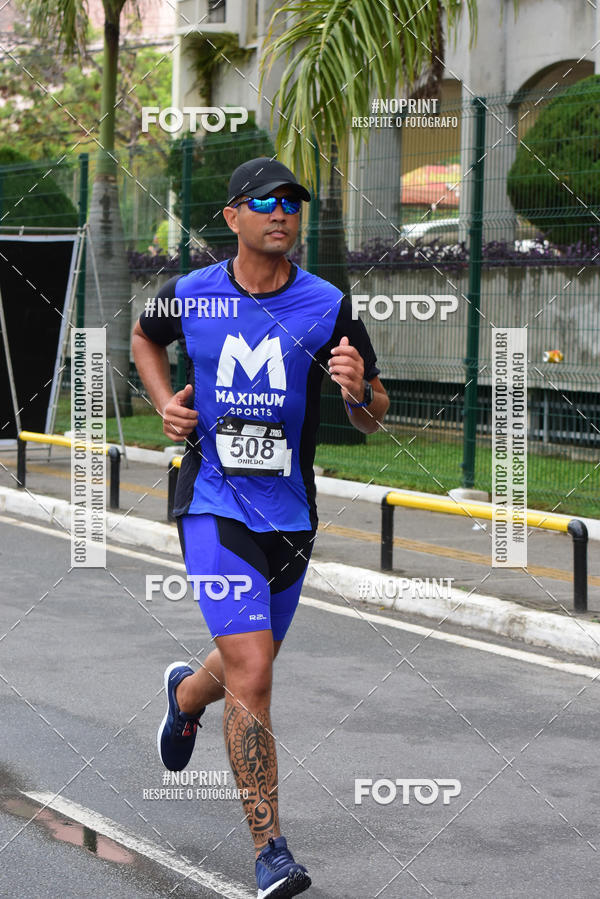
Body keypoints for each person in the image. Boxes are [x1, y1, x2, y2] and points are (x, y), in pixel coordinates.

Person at [131, 157, 389, 898]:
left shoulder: (329, 305)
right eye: (267, 201)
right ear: (234, 216)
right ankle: (270, 848)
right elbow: (147, 340)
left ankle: (185, 697)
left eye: (293, 203)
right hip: (211, 502)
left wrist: (359, 390)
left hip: (291, 516)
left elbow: (374, 410)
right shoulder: (194, 295)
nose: (283, 213)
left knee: (248, 661)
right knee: (254, 670)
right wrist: (164, 405)